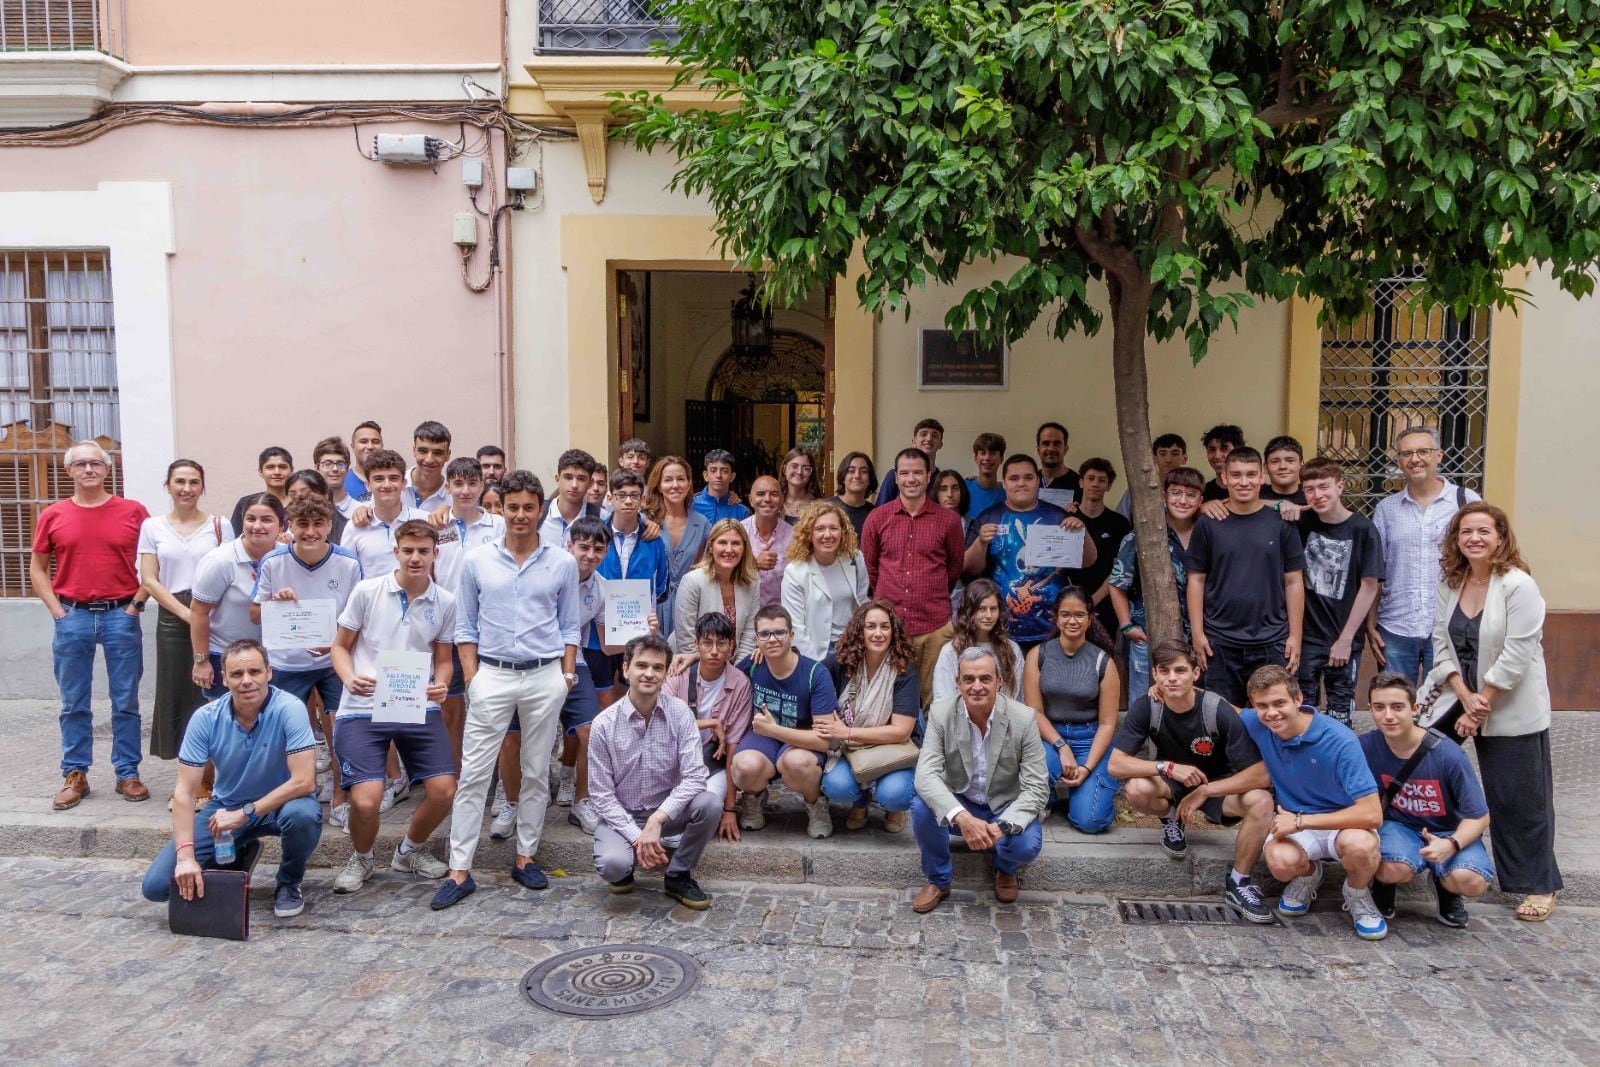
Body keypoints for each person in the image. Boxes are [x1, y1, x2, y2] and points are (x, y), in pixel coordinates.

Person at [434, 470, 579, 910]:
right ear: (501, 509)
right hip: (492, 676)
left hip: (543, 675)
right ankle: (460, 870)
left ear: (540, 510)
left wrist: (566, 676)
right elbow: (465, 626)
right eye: (511, 507)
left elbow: (569, 624)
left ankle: (525, 856)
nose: (520, 515)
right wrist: (472, 677)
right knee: (476, 773)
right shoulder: (478, 560)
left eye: (528, 507)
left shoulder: (562, 562)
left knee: (536, 771)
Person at [1424, 502, 1561, 921]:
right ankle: (1426, 857)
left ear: (1500, 536)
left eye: (1484, 531)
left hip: (1508, 703)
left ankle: (1537, 884)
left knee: (1517, 797)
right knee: (1420, 763)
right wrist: (1462, 694)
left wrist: (1479, 708)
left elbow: (1516, 656)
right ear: (1456, 539)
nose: (1474, 539)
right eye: (1466, 532)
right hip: (1457, 693)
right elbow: (1439, 640)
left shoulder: (1518, 586)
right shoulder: (1453, 581)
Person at [139, 638, 322, 920]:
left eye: (255, 672)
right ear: (224, 679)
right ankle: (239, 852)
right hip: (225, 808)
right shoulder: (205, 718)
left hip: (281, 805)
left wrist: (245, 814)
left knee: (303, 815)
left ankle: (288, 882)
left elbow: (304, 782)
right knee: (156, 887)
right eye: (237, 674)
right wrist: (186, 858)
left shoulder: (290, 708)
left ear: (269, 673)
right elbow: (185, 793)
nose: (246, 681)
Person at [329, 521, 458, 894]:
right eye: (408, 550)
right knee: (366, 801)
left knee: (443, 790)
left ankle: (409, 851)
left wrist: (443, 683)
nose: (415, 558)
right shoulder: (368, 591)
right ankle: (363, 857)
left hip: (416, 704)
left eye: (423, 551)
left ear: (436, 553)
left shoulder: (445, 601)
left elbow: (444, 657)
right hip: (362, 706)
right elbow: (340, 646)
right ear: (395, 551)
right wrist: (349, 677)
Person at [1109, 640, 1275, 922]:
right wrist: (1167, 767)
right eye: (1165, 671)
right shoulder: (1148, 706)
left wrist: (1207, 790)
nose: (1172, 678)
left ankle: (1238, 882)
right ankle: (1172, 819)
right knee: (1136, 786)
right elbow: (1116, 765)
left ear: (1195, 673)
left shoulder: (1216, 709)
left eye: (1180, 670)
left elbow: (1261, 774)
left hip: (1216, 785)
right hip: (1171, 782)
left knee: (1262, 800)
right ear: (1155, 675)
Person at [33, 440, 151, 810]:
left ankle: (127, 772)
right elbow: (37, 570)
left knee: (125, 701)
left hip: (121, 615)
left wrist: (136, 605)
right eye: (80, 464)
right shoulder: (53, 515)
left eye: (95, 463)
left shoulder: (133, 512)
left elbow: (151, 566)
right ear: (68, 471)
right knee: (73, 702)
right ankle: (75, 774)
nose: (88, 469)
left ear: (107, 469)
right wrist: (57, 612)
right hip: (73, 615)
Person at [1243, 666, 1387, 940]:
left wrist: (1300, 821)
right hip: (1298, 826)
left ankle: (1357, 893)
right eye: (1262, 706)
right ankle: (1310, 874)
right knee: (1280, 863)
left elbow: (1372, 813)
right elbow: (1223, 706)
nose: (1271, 713)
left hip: (1343, 822)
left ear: (1298, 700)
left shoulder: (1340, 740)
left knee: (1361, 847)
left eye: (1279, 703)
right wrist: (1168, 689)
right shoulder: (1259, 723)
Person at [251, 496, 365, 828]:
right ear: (290, 526)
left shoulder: (348, 563)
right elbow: (255, 613)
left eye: (318, 524)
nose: (311, 532)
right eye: (302, 524)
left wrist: (334, 645)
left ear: (329, 525)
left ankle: (342, 797)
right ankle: (299, 791)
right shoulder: (274, 561)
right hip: (288, 661)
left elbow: (360, 616)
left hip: (334, 659)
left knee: (339, 728)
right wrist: (275, 601)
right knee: (287, 729)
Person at [911, 647, 1049, 912]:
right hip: (962, 801)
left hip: (1004, 807)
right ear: (957, 683)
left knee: (1027, 845)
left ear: (999, 681)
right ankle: (938, 879)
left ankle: (1005, 868)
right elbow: (925, 775)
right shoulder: (941, 714)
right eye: (969, 679)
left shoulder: (1023, 719)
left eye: (985, 678)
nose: (977, 687)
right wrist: (962, 818)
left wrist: (1001, 828)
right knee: (921, 806)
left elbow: (1037, 788)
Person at [588, 634, 721, 909]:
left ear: (665, 674)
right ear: (626, 669)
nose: (649, 673)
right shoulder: (603, 724)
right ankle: (627, 865)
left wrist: (657, 820)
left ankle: (678, 873)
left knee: (709, 803)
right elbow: (601, 796)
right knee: (613, 865)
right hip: (624, 815)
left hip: (668, 813)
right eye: (642, 665)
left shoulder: (680, 713)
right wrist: (638, 836)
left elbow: (696, 776)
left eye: (658, 667)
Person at [1361, 672, 1493, 928]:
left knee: (1471, 882)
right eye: (1379, 707)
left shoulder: (1448, 754)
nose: (1388, 715)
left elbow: (1479, 815)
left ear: (1415, 709)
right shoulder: (1364, 747)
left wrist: (1452, 844)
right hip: (1398, 826)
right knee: (1391, 867)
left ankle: (1447, 889)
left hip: (1448, 830)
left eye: (1397, 707)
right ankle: (1384, 886)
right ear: (1370, 710)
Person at [1186, 446, 1305, 706]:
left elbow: (1294, 581)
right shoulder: (1208, 524)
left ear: (1262, 476)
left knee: (1273, 716)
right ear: (1225, 477)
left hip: (1272, 640)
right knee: (1222, 719)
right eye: (1236, 475)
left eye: (1251, 474)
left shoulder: (1280, 524)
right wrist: (1198, 634)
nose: (1243, 482)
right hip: (1219, 641)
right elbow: (1196, 579)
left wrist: (1295, 635)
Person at [139, 460, 232, 777]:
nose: (187, 489)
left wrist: (201, 615)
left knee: (210, 694)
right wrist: (186, 613)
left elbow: (230, 570)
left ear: (202, 487)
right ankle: (187, 778)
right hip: (172, 616)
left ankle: (211, 776)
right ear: (168, 486)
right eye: (180, 482)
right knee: (178, 694)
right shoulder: (152, 527)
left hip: (214, 613)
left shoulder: (219, 526)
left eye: (194, 482)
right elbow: (150, 580)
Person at [1369, 425, 1481, 684]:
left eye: (1423, 451)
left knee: (1442, 705)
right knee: (1396, 703)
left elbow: (1482, 563)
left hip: (1448, 623)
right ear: (1398, 461)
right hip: (1395, 625)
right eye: (1407, 454)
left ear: (1438, 456)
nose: (1415, 459)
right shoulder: (1387, 509)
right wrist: (1370, 624)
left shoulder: (1465, 501)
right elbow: (1377, 570)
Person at [862, 446, 968, 707]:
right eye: (905, 473)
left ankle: (931, 749)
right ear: (896, 477)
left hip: (935, 628)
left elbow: (954, 568)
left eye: (918, 472)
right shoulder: (877, 518)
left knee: (935, 701)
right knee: (889, 699)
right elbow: (869, 569)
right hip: (890, 629)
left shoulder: (948, 521)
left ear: (929, 476)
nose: (911, 479)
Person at [964, 454, 1095, 652]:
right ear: (1004, 483)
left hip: (1052, 630)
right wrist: (981, 542)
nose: (1021, 484)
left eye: (1028, 477)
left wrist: (1081, 532)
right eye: (1014, 478)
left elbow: (1088, 561)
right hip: (1001, 630)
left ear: (1037, 482)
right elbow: (969, 570)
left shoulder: (1057, 516)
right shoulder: (989, 517)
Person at [728, 604, 838, 838]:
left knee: (797, 764)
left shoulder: (815, 674)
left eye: (779, 632)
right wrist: (691, 656)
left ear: (791, 634)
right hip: (763, 737)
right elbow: (720, 671)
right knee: (744, 766)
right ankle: (754, 796)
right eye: (765, 634)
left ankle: (814, 802)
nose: (773, 639)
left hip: (801, 740)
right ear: (756, 639)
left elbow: (824, 741)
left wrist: (774, 730)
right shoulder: (753, 664)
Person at [1295, 458, 1385, 726]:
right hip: (1306, 639)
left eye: (1324, 487)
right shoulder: (1301, 522)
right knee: (1302, 713)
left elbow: (1370, 586)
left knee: (1340, 715)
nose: (1317, 495)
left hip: (1343, 638)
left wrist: (1345, 639)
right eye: (1309, 489)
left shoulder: (1363, 529)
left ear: (1340, 487)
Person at [818, 601, 921, 833]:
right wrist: (777, 653)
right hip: (850, 750)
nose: (878, 633)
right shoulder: (842, 662)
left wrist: (847, 732)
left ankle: (894, 808)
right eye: (870, 626)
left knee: (896, 794)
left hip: (892, 749)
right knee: (836, 786)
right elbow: (809, 673)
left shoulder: (904, 671)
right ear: (859, 631)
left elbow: (901, 731)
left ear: (893, 631)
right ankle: (860, 800)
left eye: (885, 627)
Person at [1023, 588, 1120, 834]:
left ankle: (1085, 795)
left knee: (1090, 822)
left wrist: (1086, 767)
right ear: (1056, 618)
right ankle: (1050, 795)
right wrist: (1061, 746)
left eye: (1079, 614)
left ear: (1090, 619)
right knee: (1031, 765)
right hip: (1050, 736)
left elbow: (1108, 723)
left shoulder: (1103, 662)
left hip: (1091, 738)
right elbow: (1034, 711)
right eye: (1065, 614)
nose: (1072, 621)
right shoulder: (1038, 655)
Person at [1107, 466, 1202, 698]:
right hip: (1148, 636)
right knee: (1147, 704)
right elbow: (1117, 583)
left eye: (1190, 494)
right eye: (1176, 493)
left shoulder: (1207, 533)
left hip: (1198, 638)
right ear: (1164, 496)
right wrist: (1127, 626)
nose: (1182, 500)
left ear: (1201, 499)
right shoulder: (1142, 535)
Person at [434, 456, 505, 762]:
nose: (465, 490)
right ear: (447, 486)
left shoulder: (498, 524)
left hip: (487, 627)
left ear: (482, 485)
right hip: (446, 627)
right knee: (450, 705)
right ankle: (456, 773)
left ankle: (496, 774)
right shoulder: (433, 523)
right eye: (458, 483)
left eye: (472, 483)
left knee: (490, 702)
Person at [662, 613, 754, 843]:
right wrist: (712, 723)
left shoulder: (741, 683)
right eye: (707, 643)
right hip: (674, 761)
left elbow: (733, 745)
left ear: (731, 646)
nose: (714, 651)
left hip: (714, 765)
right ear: (696, 645)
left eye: (721, 643)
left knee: (706, 805)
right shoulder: (678, 673)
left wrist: (730, 809)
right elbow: (662, 722)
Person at [191, 494, 285, 705]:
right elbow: (198, 612)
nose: (257, 526)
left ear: (281, 525)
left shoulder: (287, 557)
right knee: (225, 724)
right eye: (251, 519)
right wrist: (201, 660)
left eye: (267, 520)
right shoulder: (220, 561)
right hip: (224, 656)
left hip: (273, 658)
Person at [782, 500, 870, 660]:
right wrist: (815, 667)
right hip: (816, 651)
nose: (827, 535)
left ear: (842, 531)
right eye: (820, 529)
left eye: (834, 528)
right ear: (809, 533)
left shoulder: (855, 558)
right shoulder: (795, 572)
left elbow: (863, 602)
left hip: (852, 647)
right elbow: (795, 627)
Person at [671, 519, 761, 664]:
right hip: (692, 665)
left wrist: (737, 672)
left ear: (744, 548)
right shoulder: (692, 581)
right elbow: (687, 642)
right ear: (711, 547)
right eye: (723, 542)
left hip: (735, 666)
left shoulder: (752, 581)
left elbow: (750, 633)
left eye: (736, 543)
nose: (729, 549)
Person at [645, 454, 711, 638]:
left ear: (689, 483)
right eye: (668, 480)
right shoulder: (646, 521)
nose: (675, 485)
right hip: (651, 608)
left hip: (689, 605)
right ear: (659, 485)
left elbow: (707, 569)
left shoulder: (702, 523)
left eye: (681, 479)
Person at [340, 449, 428, 577]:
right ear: (368, 485)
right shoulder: (354, 527)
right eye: (379, 479)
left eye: (393, 478)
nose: (386, 485)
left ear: (404, 484)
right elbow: (346, 574)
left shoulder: (424, 520)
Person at [932, 579, 1023, 702]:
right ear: (969, 611)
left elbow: (1016, 698)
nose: (989, 615)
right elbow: (943, 698)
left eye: (993, 609)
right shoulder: (951, 650)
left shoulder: (1012, 649)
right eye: (982, 609)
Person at [1073, 457, 1132, 637]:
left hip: (1106, 604)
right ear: (1081, 482)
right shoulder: (1066, 520)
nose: (1095, 484)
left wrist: (1093, 600)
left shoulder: (1119, 523)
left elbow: (1119, 568)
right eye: (1090, 478)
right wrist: (1076, 601)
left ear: (1109, 486)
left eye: (1101, 480)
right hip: (1071, 604)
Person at [741, 474, 794, 607]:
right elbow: (724, 574)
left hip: (781, 617)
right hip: (746, 615)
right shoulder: (738, 533)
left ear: (781, 500)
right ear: (751, 500)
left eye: (774, 494)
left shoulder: (795, 537)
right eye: (760, 494)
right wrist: (753, 565)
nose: (767, 499)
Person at [1115, 432, 1188, 518]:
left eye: (1175, 454)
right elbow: (1119, 523)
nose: (1168, 459)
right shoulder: (1137, 492)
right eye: (1163, 454)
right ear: (1154, 459)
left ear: (1184, 458)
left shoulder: (1194, 491)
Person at [539, 449, 602, 547]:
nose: (574, 485)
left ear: (590, 483)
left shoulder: (601, 517)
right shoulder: (538, 514)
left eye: (581, 479)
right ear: (557, 479)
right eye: (568, 477)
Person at [876, 417, 945, 505]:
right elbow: (880, 512)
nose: (928, 439)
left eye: (934, 435)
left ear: (940, 444)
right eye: (923, 434)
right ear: (914, 441)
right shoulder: (893, 477)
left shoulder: (942, 480)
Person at [229, 446, 292, 533]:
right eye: (270, 467)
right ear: (260, 472)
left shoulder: (301, 504)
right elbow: (235, 539)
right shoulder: (245, 503)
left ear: (291, 470)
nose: (277, 472)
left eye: (282, 467)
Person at [285, 469, 347, 545]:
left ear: (325, 495)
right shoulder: (282, 526)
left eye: (306, 493)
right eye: (292, 495)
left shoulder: (347, 527)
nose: (299, 499)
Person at [404, 420, 454, 514]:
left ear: (448, 455)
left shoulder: (454, 494)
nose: (429, 460)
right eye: (423, 451)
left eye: (438, 453)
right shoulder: (393, 484)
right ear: (414, 450)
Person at [692, 448, 750, 524]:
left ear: (732, 477)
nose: (718, 475)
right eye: (713, 470)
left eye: (724, 471)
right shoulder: (690, 506)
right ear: (705, 475)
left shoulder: (741, 512)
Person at [827, 451, 877, 537]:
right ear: (843, 477)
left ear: (870, 479)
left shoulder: (875, 514)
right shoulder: (826, 508)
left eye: (864, 471)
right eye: (851, 471)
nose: (857, 475)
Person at [312, 437, 361, 519]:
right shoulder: (307, 508)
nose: (335, 469)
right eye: (328, 464)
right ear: (317, 468)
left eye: (340, 464)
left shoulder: (359, 511)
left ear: (347, 469)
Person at [1199, 424, 1245, 502]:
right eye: (1212, 449)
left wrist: (1258, 503)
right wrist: (1201, 509)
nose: (1217, 456)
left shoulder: (1254, 488)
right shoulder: (1203, 492)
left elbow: (1274, 507)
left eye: (1224, 448)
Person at [966, 432, 1007, 517]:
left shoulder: (1007, 492)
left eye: (993, 453)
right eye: (983, 453)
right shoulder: (963, 487)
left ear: (1001, 459)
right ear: (976, 458)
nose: (987, 458)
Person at [1261, 435, 1307, 508]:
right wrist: (1278, 503)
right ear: (1265, 468)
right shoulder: (1254, 493)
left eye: (1290, 461)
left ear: (1301, 465)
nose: (1282, 466)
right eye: (1275, 461)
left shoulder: (1311, 493)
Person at [1035, 421, 1079, 497]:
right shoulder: (1029, 482)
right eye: (1046, 443)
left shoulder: (1079, 484)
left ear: (1066, 449)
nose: (1051, 448)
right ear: (1038, 450)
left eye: (1057, 443)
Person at [779, 447, 821, 523]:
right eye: (794, 466)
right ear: (784, 470)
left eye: (805, 468)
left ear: (811, 473)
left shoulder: (819, 507)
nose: (799, 472)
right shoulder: (774, 502)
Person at [344, 420, 384, 499]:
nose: (370, 447)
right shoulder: (342, 481)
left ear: (382, 446)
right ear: (353, 447)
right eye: (363, 441)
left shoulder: (392, 481)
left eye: (375, 442)